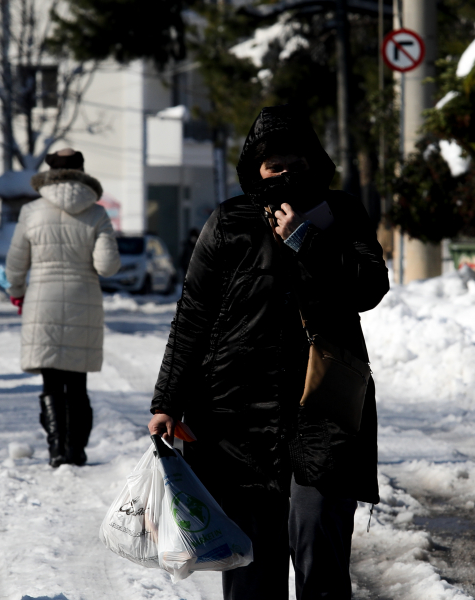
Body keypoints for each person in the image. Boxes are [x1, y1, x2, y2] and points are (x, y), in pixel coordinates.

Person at [147, 106, 389, 599]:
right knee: (250, 566)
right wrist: (166, 401)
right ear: (254, 169)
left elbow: (369, 287)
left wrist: (305, 238)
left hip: (325, 408)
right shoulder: (228, 222)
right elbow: (192, 315)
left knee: (319, 542)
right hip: (236, 415)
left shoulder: (341, 215)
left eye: (293, 161)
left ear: (313, 161)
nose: (283, 172)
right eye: (272, 164)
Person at [6, 148, 120, 468]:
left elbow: (15, 264)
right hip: (84, 301)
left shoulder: (31, 211)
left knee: (51, 381)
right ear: (82, 171)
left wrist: (17, 292)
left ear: (49, 171)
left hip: (42, 301)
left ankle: (57, 449)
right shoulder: (97, 213)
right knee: (77, 381)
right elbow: (107, 265)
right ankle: (77, 450)